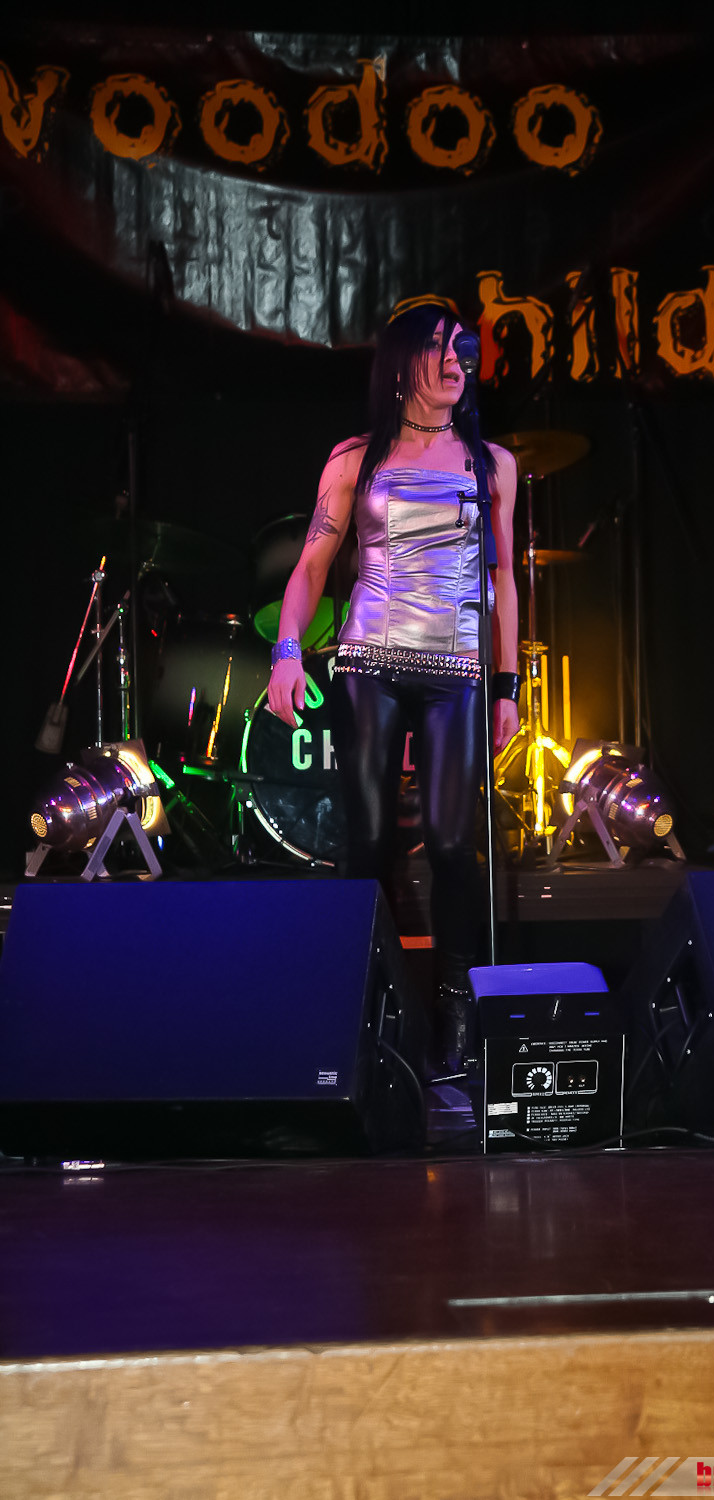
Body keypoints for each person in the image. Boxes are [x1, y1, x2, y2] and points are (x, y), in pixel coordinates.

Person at [267, 303, 520, 1074]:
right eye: (437, 349)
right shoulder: (356, 459)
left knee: (450, 844)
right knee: (368, 841)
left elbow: (504, 579)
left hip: (458, 670)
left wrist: (508, 686)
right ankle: (366, 1011)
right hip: (369, 661)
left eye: (460, 349)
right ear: (402, 365)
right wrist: (286, 653)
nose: (454, 362)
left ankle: (455, 1017)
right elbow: (312, 566)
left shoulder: (492, 463)